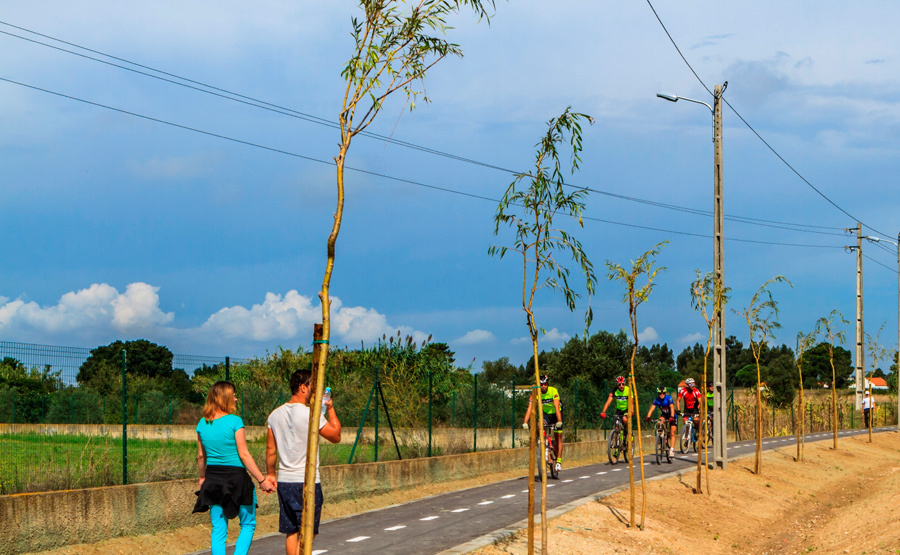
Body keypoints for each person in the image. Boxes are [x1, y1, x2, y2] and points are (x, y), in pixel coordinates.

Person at [193, 381, 274, 555]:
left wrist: (202, 477)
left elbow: (201, 456)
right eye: (234, 395)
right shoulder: (235, 421)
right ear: (226, 397)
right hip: (237, 479)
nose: (236, 399)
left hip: (213, 479)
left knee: (218, 529)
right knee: (247, 524)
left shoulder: (202, 423)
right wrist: (262, 479)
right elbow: (244, 454)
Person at [266, 369, 342, 554]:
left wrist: (270, 473)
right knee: (309, 529)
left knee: (291, 530)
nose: (315, 392)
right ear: (303, 387)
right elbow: (336, 436)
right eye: (312, 387)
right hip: (307, 480)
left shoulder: (274, 415)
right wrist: (330, 409)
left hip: (285, 480)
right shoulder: (311, 414)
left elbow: (270, 449)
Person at [522, 374, 564, 473]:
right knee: (538, 425)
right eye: (541, 385)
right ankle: (542, 441)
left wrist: (559, 421)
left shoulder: (553, 391)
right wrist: (525, 422)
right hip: (546, 415)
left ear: (547, 384)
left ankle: (558, 461)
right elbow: (530, 408)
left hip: (556, 414)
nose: (543, 386)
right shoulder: (536, 393)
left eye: (545, 384)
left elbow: (557, 407)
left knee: (558, 437)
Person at [600, 376, 632, 450]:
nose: (621, 386)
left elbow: (632, 402)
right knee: (616, 427)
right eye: (619, 384)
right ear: (617, 385)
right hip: (619, 410)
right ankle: (616, 445)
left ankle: (627, 434)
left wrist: (631, 412)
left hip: (627, 409)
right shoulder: (614, 391)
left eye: (622, 384)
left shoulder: (628, 390)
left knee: (624, 419)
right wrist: (603, 412)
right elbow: (608, 401)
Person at [645, 386, 677, 458]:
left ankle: (671, 450)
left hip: (672, 415)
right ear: (658, 394)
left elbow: (672, 407)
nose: (661, 395)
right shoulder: (656, 400)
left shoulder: (669, 398)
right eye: (660, 393)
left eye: (663, 393)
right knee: (659, 422)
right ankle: (661, 438)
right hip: (664, 415)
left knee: (672, 433)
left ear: (665, 393)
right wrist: (648, 417)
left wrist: (672, 417)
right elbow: (652, 408)